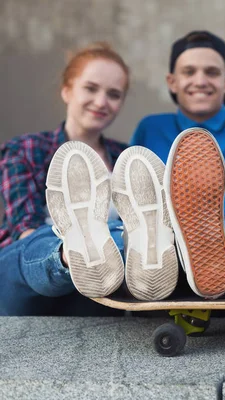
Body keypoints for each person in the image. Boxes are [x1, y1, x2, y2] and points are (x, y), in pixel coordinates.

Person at [131, 31, 225, 299]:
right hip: (174, 248)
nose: (200, 81)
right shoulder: (151, 128)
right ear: (172, 82)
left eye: (211, 72)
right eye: (189, 72)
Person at [0, 43, 130, 316]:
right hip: (28, 279)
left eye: (114, 94)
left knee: (120, 241)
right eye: (91, 88)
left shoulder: (126, 158)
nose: (101, 101)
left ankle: (103, 250)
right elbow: (24, 228)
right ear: (67, 90)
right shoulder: (25, 149)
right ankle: (73, 252)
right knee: (42, 240)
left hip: (98, 288)